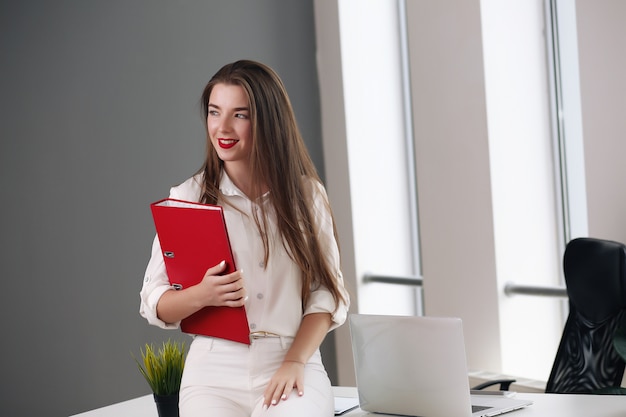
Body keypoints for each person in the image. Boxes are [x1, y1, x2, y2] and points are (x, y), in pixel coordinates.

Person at [140, 59, 350, 417]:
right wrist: (202, 295)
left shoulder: (306, 195)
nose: (222, 127)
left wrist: (295, 361)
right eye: (214, 112)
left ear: (268, 120)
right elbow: (153, 301)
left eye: (240, 114)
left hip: (290, 363)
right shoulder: (188, 197)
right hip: (212, 372)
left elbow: (326, 294)